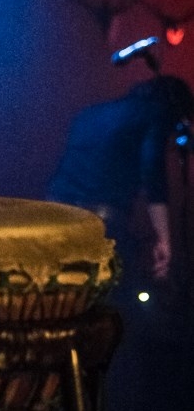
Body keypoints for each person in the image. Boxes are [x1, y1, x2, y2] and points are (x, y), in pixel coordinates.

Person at [46, 74, 194, 285]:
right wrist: (164, 239)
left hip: (57, 211)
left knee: (65, 286)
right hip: (101, 217)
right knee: (112, 286)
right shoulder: (156, 113)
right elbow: (152, 171)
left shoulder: (92, 112)